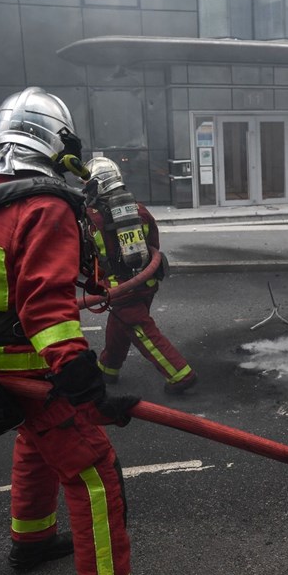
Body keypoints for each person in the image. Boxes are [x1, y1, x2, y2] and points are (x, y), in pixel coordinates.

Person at [0, 87, 166, 575]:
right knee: (93, 471)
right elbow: (45, 307)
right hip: (30, 362)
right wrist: (82, 380)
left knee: (35, 442)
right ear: (56, 140)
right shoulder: (43, 204)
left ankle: (31, 541)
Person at [83, 156, 197, 396]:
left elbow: (87, 255)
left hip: (120, 287)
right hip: (146, 280)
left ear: (96, 185)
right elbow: (153, 243)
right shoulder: (139, 210)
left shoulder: (92, 218)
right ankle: (108, 368)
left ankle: (179, 374)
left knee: (141, 330)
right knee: (120, 324)